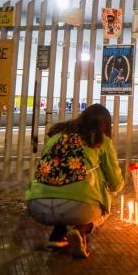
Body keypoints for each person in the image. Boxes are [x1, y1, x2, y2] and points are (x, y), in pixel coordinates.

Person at [25, 104, 123, 258]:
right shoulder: (100, 140)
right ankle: (80, 230)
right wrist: (110, 188)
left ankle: (57, 236)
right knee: (105, 202)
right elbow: (115, 182)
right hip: (78, 207)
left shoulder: (57, 136)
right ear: (104, 125)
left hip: (37, 206)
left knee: (61, 181)